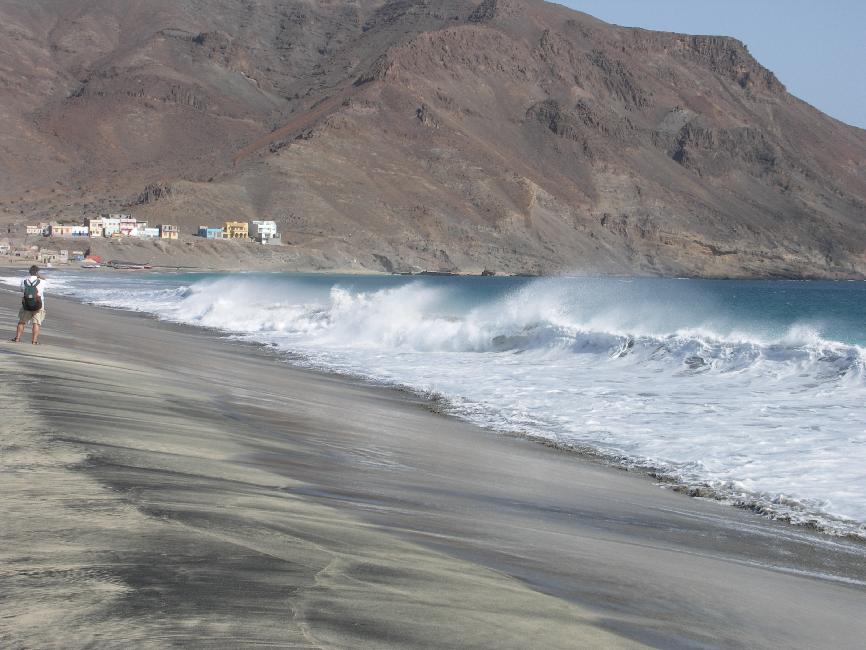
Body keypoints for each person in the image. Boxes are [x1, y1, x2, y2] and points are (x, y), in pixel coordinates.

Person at [13, 265, 46, 345]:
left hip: (26, 304)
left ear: (29, 272)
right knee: (36, 323)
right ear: (37, 272)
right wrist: (41, 277)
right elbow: (43, 289)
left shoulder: (24, 281)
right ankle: (34, 341)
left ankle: (17, 338)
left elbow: (22, 290)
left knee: (22, 321)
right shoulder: (42, 281)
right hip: (38, 304)